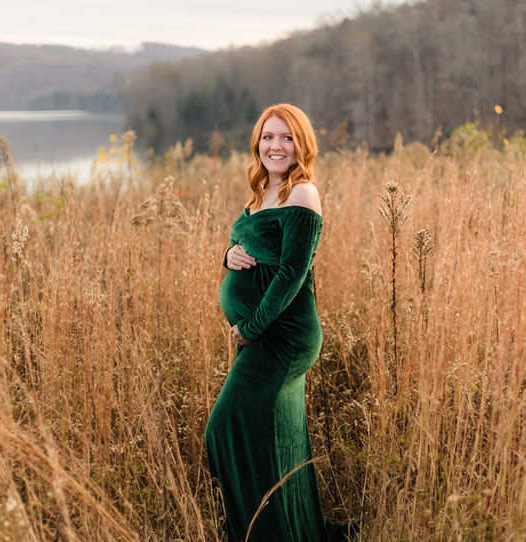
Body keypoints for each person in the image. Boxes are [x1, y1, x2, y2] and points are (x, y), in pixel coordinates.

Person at [205, 103, 357, 541]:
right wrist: (228, 255)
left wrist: (250, 328)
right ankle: (288, 529)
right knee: (275, 439)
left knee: (225, 430)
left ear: (301, 144)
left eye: (287, 137)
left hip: (283, 335)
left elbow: (293, 272)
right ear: (257, 142)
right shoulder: (261, 195)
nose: (276, 145)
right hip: (262, 333)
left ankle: (257, 531)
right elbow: (248, 246)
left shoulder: (303, 193)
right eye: (269, 136)